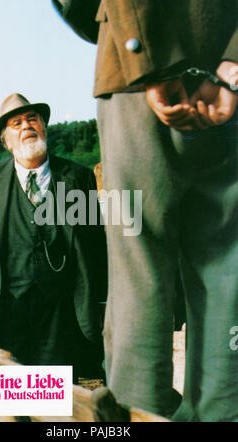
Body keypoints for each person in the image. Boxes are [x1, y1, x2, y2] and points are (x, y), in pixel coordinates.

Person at [52, 0, 238, 421]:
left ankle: (137, 415)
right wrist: (234, 63)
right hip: (228, 76)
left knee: (139, 274)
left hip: (135, 71)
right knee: (229, 274)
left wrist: (146, 58)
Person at [0, 93, 107, 383]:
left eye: (32, 119)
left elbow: (96, 249)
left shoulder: (79, 178)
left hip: (60, 317)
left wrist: (100, 303)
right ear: (7, 140)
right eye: (16, 123)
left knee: (55, 402)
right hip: (2, 312)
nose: (26, 126)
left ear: (44, 127)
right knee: (2, 399)